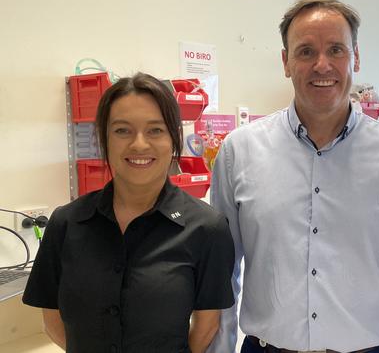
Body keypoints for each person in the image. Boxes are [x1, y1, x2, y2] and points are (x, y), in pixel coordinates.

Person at [210, 0, 379, 353]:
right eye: (306, 52)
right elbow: (222, 273)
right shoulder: (239, 151)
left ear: (355, 57)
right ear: (285, 61)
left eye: (336, 50)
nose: (322, 65)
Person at [23, 73, 235, 353]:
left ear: (174, 139)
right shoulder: (66, 223)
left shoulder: (207, 228)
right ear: (104, 139)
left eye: (155, 130)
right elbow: (51, 318)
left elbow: (207, 325)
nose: (138, 144)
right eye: (122, 130)